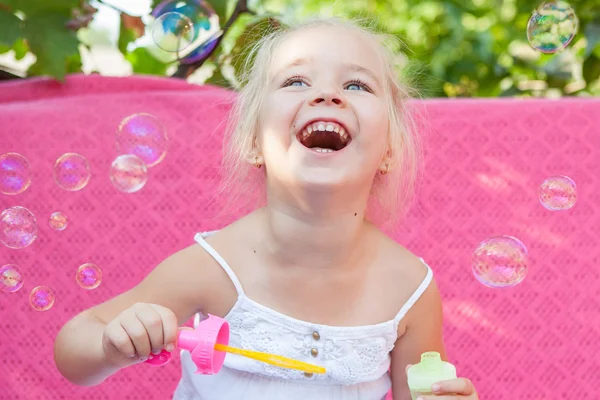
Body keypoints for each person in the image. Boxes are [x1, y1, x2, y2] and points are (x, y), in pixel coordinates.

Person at [54, 16, 479, 400]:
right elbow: (74, 349)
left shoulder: (409, 290)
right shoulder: (213, 269)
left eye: (356, 85)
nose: (327, 95)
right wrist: (112, 344)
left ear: (389, 149)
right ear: (253, 143)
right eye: (295, 81)